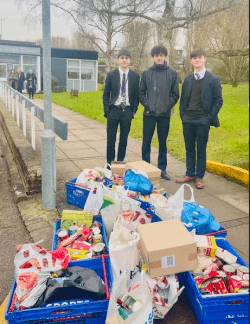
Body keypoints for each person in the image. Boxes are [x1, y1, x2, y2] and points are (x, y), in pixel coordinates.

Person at [176, 49, 223, 189]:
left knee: (201, 149)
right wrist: (183, 116)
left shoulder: (213, 79)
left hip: (203, 120)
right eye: (194, 58)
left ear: (204, 59)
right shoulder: (188, 79)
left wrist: (208, 118)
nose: (197, 60)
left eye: (199, 58)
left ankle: (199, 177)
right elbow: (183, 99)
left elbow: (218, 101)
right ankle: (190, 173)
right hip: (188, 119)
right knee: (189, 148)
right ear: (191, 61)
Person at [139, 45, 179, 180]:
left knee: (163, 142)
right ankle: (145, 168)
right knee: (146, 141)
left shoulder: (172, 73)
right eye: (156, 55)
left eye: (161, 55)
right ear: (153, 57)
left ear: (165, 56)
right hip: (149, 114)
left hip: (164, 115)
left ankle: (162, 169)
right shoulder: (146, 73)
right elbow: (140, 93)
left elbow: (175, 94)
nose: (159, 58)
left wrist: (167, 107)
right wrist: (148, 105)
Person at [103, 49, 140, 166]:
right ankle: (109, 164)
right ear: (118, 60)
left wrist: (133, 110)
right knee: (111, 139)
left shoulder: (135, 76)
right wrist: (107, 110)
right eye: (122, 58)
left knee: (124, 140)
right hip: (113, 110)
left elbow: (136, 95)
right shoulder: (111, 75)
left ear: (130, 60)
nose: (124, 60)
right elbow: (105, 94)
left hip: (127, 111)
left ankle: (119, 163)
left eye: (127, 58)